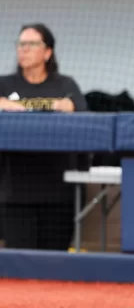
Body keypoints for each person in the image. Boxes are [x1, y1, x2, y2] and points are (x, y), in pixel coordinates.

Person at [0, 23, 88, 250]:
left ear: (48, 52)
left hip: (58, 193)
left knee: (54, 264)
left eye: (31, 44)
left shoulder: (65, 85)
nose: (24, 49)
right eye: (21, 44)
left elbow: (82, 114)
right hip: (15, 193)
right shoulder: (4, 85)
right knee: (20, 266)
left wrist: (66, 106)